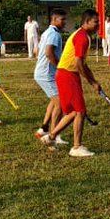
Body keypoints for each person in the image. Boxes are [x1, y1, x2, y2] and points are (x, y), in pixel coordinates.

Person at [41, 9, 104, 157]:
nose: (98, 25)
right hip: (67, 75)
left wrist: (94, 81)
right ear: (87, 22)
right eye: (96, 22)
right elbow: (78, 63)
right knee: (80, 111)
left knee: (72, 112)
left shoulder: (82, 35)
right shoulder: (82, 38)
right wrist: (91, 82)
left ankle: (51, 137)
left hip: (67, 75)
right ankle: (76, 147)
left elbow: (83, 64)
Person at [33, 8, 68, 146]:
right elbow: (48, 53)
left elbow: (38, 51)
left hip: (44, 72)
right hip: (46, 73)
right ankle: (54, 135)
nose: (64, 22)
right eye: (62, 19)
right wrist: (59, 67)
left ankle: (44, 129)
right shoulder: (54, 34)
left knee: (54, 101)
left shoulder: (47, 32)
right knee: (59, 102)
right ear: (54, 19)